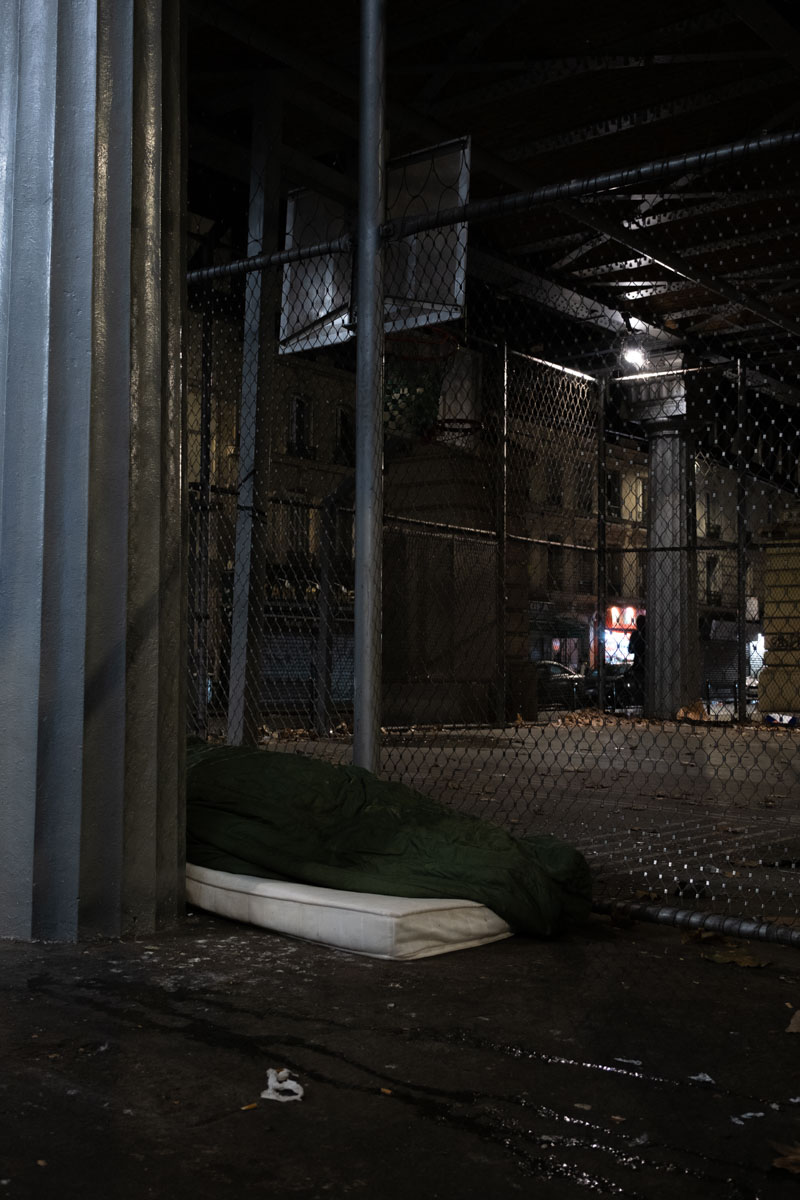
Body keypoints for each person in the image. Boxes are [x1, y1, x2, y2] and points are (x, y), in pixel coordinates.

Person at [628, 614, 646, 703]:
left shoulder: (635, 634)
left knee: (638, 690)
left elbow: (630, 650)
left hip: (638, 667)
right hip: (646, 666)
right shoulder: (648, 634)